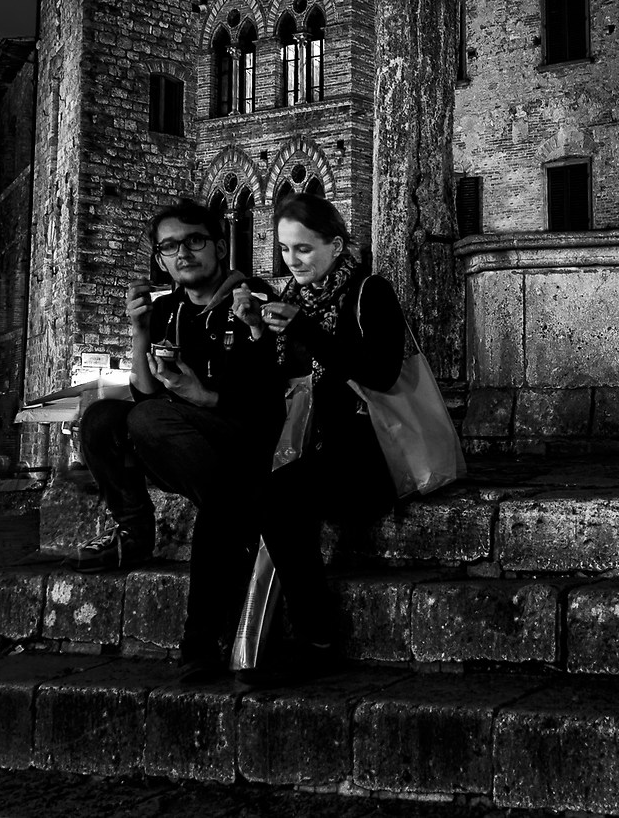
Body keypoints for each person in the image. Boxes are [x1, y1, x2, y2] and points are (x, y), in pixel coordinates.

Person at [73, 199, 288, 680]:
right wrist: (139, 331)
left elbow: (268, 400)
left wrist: (204, 396)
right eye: (169, 246)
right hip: (184, 445)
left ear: (218, 243)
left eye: (193, 241)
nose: (182, 254)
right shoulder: (168, 309)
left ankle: (202, 636)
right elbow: (145, 390)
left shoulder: (249, 300)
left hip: (243, 446)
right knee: (102, 418)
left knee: (152, 425)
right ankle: (135, 531)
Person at [237, 192, 404, 682]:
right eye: (285, 250)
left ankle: (317, 639)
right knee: (261, 493)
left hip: (369, 455)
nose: (293, 261)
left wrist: (307, 329)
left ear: (335, 245)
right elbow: (269, 389)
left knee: (278, 496)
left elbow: (382, 373)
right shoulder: (287, 301)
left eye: (304, 249)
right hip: (306, 449)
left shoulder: (370, 292)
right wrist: (255, 335)